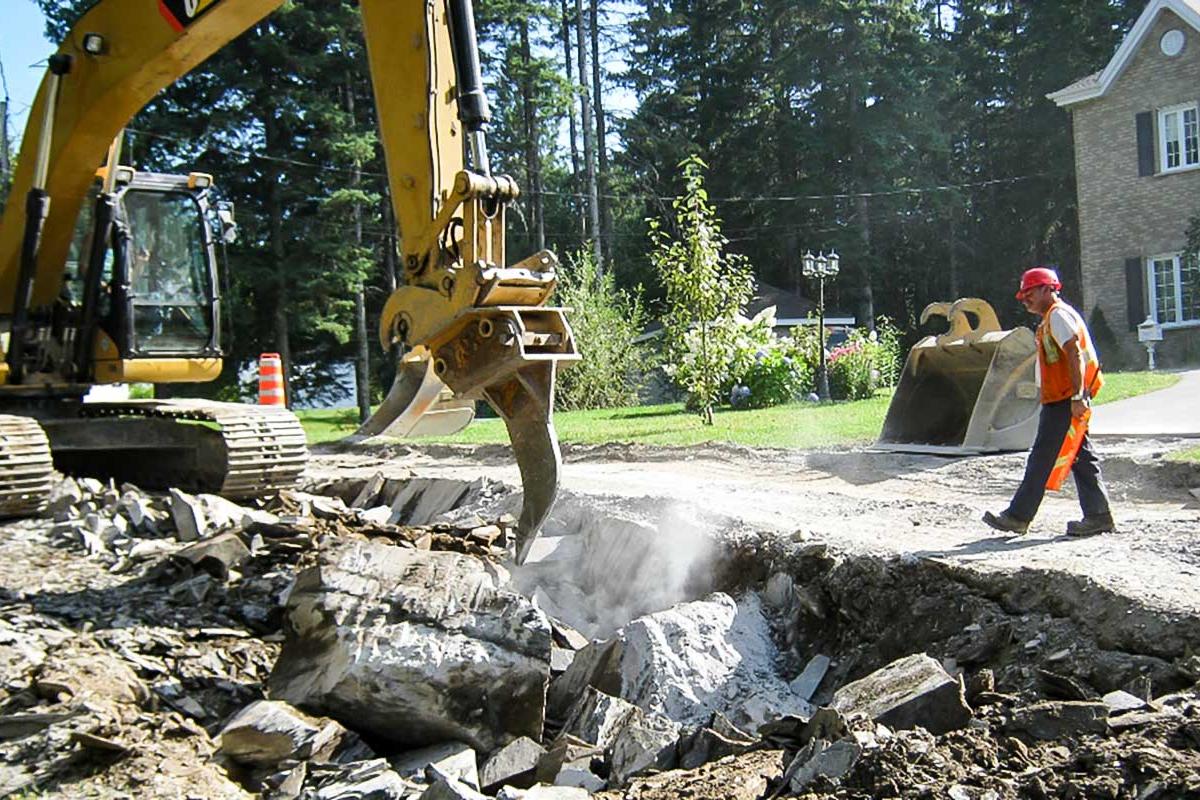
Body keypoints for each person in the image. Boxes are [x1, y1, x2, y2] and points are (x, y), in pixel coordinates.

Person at [983, 267, 1114, 537]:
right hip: (1063, 396)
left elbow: (1073, 353)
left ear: (1047, 289)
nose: (1024, 299)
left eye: (1029, 293)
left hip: (1065, 399)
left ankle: (1018, 517)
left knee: (1042, 457)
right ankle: (1099, 515)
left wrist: (1078, 397)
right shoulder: (1051, 318)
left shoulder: (1057, 316)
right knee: (1080, 456)